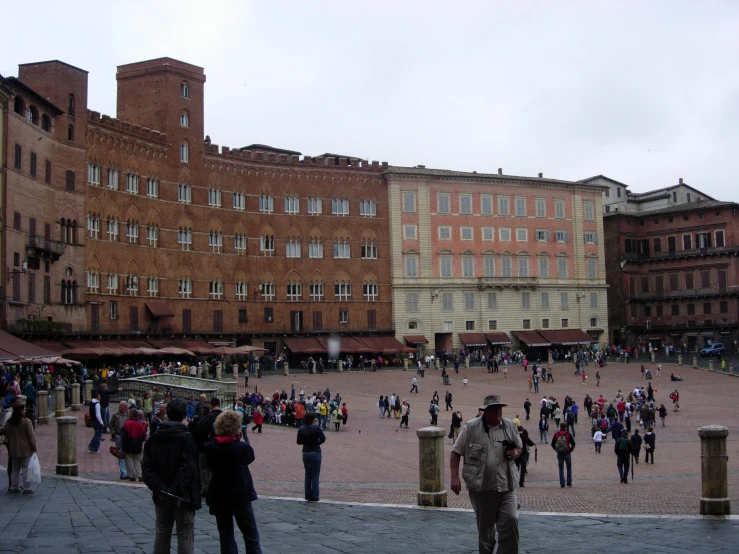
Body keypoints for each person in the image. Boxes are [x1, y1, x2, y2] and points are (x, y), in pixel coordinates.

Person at [450, 394, 523, 554]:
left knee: (511, 520)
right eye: (494, 409)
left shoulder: (510, 426)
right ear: (485, 411)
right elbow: (456, 452)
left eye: (499, 409)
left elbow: (519, 446)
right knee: (486, 532)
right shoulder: (471, 428)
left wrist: (515, 453)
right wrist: (454, 477)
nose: (498, 412)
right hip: (482, 489)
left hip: (507, 486)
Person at [142, 398, 201, 554]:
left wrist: (162, 490)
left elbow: (147, 470)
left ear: (166, 412)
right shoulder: (187, 439)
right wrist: (175, 491)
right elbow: (188, 467)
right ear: (183, 416)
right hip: (183, 495)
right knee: (185, 535)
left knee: (162, 533)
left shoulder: (153, 439)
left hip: (161, 495)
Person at [205, 411, 262, 554]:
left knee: (226, 535)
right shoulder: (241, 448)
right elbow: (249, 457)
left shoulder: (210, 447)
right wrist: (237, 441)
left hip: (219, 493)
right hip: (240, 494)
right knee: (250, 534)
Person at [4, 404, 37, 493]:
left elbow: (4, 431)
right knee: (26, 468)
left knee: (15, 468)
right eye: (24, 409)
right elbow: (31, 436)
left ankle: (15, 486)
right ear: (21, 411)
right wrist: (34, 447)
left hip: (13, 448)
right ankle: (27, 488)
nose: (25, 411)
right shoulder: (26, 422)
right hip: (25, 449)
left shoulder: (9, 423)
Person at [296, 412, 326, 502]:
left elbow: (298, 441)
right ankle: (315, 495)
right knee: (315, 474)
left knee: (308, 474)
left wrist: (306, 442)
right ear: (313, 419)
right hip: (315, 451)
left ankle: (307, 495)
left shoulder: (301, 429)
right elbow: (323, 439)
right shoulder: (316, 428)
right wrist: (317, 442)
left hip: (306, 452)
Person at [121, 409, 148, 482]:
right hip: (137, 442)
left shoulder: (127, 423)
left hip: (128, 442)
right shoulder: (140, 423)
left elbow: (123, 434)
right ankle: (139, 475)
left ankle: (131, 475)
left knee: (128, 459)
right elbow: (143, 435)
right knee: (137, 459)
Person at [551, 422, 576, 487]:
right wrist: (570, 449)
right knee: (569, 468)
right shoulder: (568, 434)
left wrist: (556, 449)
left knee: (561, 468)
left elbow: (552, 444)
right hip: (567, 452)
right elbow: (573, 443)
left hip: (559, 453)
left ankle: (562, 483)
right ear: (565, 427)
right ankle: (569, 482)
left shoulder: (557, 434)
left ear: (560, 427)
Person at [110, 401, 130, 480]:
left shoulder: (129, 416)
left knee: (127, 454)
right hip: (118, 435)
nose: (119, 407)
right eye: (119, 405)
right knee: (120, 454)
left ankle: (129, 472)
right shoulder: (115, 416)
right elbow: (110, 425)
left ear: (125, 407)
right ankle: (123, 473)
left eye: (121, 406)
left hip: (127, 437)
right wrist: (113, 433)